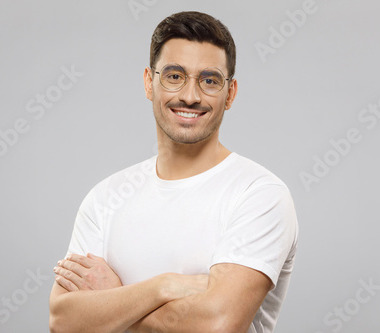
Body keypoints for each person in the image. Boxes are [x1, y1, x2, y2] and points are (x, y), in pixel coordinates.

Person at [49, 11, 298, 333]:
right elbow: (63, 320)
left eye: (209, 80)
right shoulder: (105, 198)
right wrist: (163, 286)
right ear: (148, 83)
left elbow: (218, 324)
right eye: (174, 76)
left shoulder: (259, 195)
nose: (190, 96)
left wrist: (111, 301)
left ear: (230, 93)